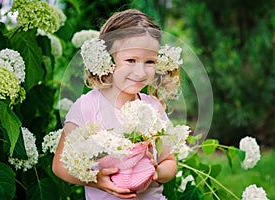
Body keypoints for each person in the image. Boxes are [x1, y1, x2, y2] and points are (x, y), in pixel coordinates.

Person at [52, 9, 181, 199]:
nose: (140, 72)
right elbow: (59, 166)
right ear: (106, 59)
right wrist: (95, 180)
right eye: (131, 60)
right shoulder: (87, 107)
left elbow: (169, 161)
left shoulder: (153, 107)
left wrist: (158, 172)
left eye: (149, 62)